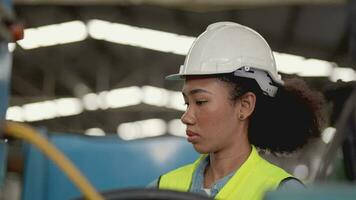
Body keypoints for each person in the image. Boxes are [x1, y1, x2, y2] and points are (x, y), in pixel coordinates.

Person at [149, 22, 324, 200]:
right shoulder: (161, 188)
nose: (186, 117)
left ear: (245, 105)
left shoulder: (283, 193)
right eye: (187, 103)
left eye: (200, 102)